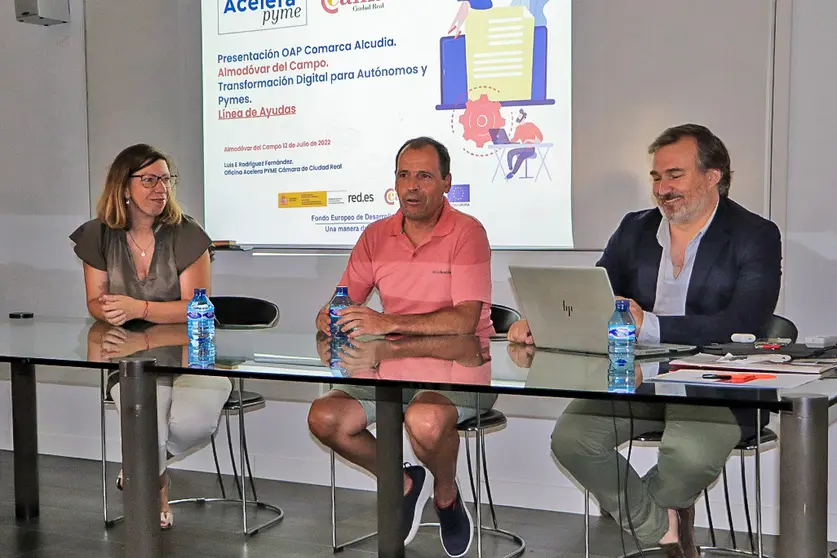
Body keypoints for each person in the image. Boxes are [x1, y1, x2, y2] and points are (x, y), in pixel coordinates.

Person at [507, 124, 782, 558]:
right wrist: (539, 321)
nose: (662, 188)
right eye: (656, 177)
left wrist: (649, 325)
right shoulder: (635, 228)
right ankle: (665, 530)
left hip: (717, 385)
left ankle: (653, 522)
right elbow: (592, 298)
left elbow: (743, 322)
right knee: (572, 439)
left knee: (687, 459)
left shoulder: (755, 234)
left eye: (675, 175)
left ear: (713, 177)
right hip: (638, 380)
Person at [307, 136, 495, 558]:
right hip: (390, 371)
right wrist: (331, 314)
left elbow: (465, 322)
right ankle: (404, 481)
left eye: (424, 176)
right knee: (325, 417)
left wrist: (385, 322)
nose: (411, 186)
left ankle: (445, 496)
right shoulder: (376, 234)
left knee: (425, 420)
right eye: (403, 175)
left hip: (460, 367)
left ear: (446, 182)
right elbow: (344, 297)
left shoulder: (468, 232)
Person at [70, 144, 231, 530]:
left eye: (165, 179)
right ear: (124, 187)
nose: (161, 188)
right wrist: (106, 310)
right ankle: (157, 486)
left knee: (192, 423)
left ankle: (143, 466)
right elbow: (95, 300)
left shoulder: (187, 234)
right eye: (149, 180)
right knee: (147, 417)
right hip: (129, 360)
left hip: (192, 356)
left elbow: (197, 306)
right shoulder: (99, 235)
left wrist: (138, 309)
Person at [505, 109, 543, 179]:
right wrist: (508, 139)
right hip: (524, 148)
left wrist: (530, 140)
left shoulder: (531, 125)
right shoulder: (518, 128)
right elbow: (515, 139)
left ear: (524, 117)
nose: (518, 117)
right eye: (518, 115)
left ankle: (512, 173)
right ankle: (510, 168)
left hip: (530, 149)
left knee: (520, 157)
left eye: (520, 115)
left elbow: (540, 138)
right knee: (510, 153)